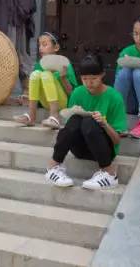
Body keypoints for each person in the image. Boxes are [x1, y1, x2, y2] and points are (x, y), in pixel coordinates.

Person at [44, 54, 127, 190]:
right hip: (80, 149)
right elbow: (70, 128)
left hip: (105, 149)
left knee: (89, 122)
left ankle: (109, 173)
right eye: (84, 79)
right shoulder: (78, 93)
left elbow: (117, 141)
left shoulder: (114, 97)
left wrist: (104, 123)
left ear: (102, 75)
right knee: (76, 119)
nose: (89, 83)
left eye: (94, 78)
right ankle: (52, 166)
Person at [14, 32, 79, 129]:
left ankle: (55, 117)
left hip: (62, 103)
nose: (40, 48)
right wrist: (26, 96)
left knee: (46, 74)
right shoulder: (38, 64)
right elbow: (36, 88)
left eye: (44, 44)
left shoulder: (64, 63)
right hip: (45, 102)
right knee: (35, 74)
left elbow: (72, 94)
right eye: (39, 45)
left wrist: (63, 78)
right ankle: (31, 116)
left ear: (56, 47)